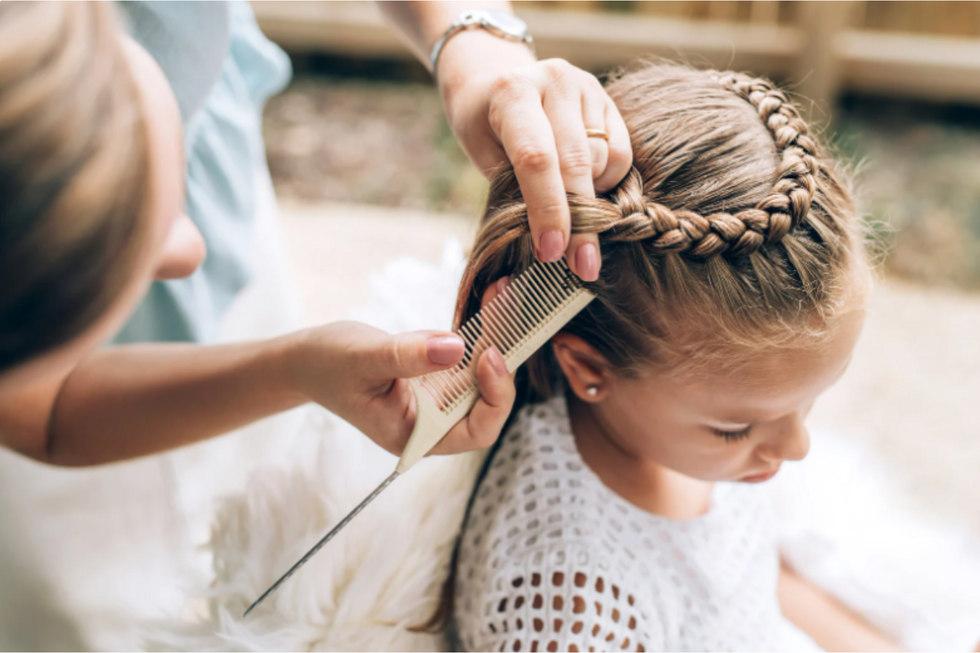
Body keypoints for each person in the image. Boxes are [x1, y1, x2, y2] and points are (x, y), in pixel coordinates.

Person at [446, 61, 906, 650]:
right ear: (586, 368)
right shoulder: (571, 615)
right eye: (734, 429)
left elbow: (750, 577)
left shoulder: (663, 434)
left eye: (812, 401)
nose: (797, 448)